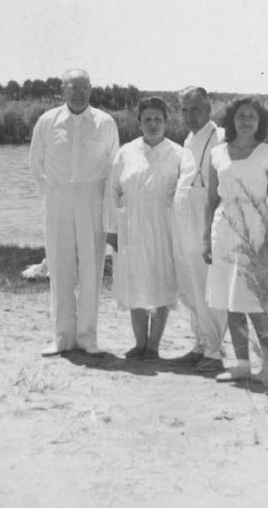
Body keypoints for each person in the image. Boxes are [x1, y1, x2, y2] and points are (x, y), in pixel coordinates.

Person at [29, 69, 119, 357]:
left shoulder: (105, 122)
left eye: (83, 87)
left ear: (91, 90)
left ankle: (88, 337)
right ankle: (62, 337)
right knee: (59, 269)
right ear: (63, 90)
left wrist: (108, 208)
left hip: (93, 201)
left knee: (91, 269)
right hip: (57, 201)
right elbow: (36, 164)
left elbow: (114, 167)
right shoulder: (47, 121)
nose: (78, 92)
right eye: (72, 87)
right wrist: (52, 195)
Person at [203, 98, 268, 384]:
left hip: (256, 226)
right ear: (231, 120)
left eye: (252, 117)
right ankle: (242, 364)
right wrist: (205, 238)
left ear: (260, 122)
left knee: (254, 301)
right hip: (223, 226)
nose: (246, 121)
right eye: (241, 116)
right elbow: (211, 199)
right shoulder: (217, 153)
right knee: (229, 301)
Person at [103, 97, 182, 362]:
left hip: (163, 222)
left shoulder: (179, 154)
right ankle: (139, 343)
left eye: (158, 119)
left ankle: (154, 346)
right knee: (132, 279)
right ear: (138, 122)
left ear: (166, 121)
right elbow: (112, 191)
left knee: (162, 279)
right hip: (130, 223)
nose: (152, 124)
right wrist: (111, 229)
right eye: (147, 119)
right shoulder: (126, 152)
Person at [169, 87, 227, 373]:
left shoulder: (221, 137)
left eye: (196, 109)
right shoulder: (188, 139)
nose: (190, 116)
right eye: (184, 110)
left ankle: (215, 351)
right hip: (183, 215)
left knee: (207, 281)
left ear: (209, 108)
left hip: (204, 213)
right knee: (190, 281)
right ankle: (200, 344)